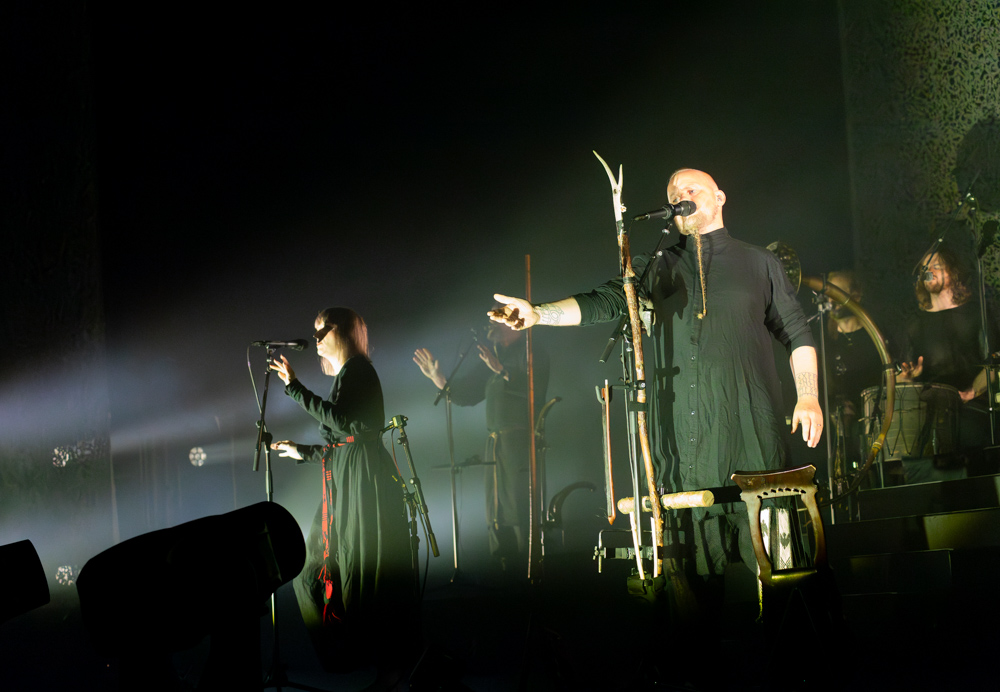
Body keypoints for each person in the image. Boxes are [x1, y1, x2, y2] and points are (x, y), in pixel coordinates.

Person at [488, 168, 822, 592]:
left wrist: (808, 397)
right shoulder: (657, 267)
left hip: (752, 435)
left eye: (691, 189)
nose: (682, 196)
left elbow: (796, 332)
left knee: (780, 577)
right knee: (694, 587)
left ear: (719, 197)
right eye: (673, 193)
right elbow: (604, 301)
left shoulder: (759, 262)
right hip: (685, 448)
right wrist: (539, 314)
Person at [269, 307, 417, 688]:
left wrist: (294, 387)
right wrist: (303, 451)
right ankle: (348, 655)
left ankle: (384, 666)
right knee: (316, 571)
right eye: (315, 330)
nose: (317, 338)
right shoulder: (349, 377)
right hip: (348, 481)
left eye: (324, 329)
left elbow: (346, 426)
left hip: (363, 484)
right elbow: (344, 444)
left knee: (365, 574)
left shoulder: (361, 371)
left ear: (348, 331)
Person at [413, 320, 549, 576]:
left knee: (519, 505)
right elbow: (467, 392)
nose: (489, 324)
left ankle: (529, 570)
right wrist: (437, 377)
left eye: (496, 320)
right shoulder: (495, 357)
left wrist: (503, 371)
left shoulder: (531, 350)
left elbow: (534, 388)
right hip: (496, 445)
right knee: (496, 508)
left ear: (515, 325)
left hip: (520, 444)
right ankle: (505, 570)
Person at [897, 245, 998, 479]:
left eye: (936, 266)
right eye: (924, 268)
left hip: (972, 408)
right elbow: (902, 375)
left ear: (954, 272)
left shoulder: (977, 313)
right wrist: (907, 377)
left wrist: (973, 391)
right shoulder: (914, 323)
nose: (928, 272)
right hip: (930, 411)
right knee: (912, 454)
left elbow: (993, 365)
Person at [822, 270, 886, 482]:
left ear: (856, 296)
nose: (832, 300)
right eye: (828, 293)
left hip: (875, 425)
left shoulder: (876, 334)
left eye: (838, 293)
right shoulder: (823, 339)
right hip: (837, 430)